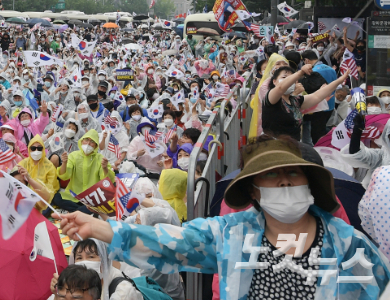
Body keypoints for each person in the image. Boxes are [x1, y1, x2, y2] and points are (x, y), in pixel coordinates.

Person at [56, 136, 390, 299]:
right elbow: (173, 242)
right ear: (254, 191)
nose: (285, 181)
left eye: (294, 173)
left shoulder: (347, 243)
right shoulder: (230, 234)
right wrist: (102, 228)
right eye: (272, 176)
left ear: (310, 183)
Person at [262, 66, 349, 140]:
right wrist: (300, 73)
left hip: (293, 147)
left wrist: (339, 80)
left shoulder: (296, 100)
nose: (290, 81)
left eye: (293, 79)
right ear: (274, 81)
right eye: (284, 77)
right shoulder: (271, 97)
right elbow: (280, 88)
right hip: (274, 148)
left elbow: (317, 96)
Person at [55, 129, 116, 213]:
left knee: (95, 206)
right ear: (82, 141)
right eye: (86, 140)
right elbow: (65, 176)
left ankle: (78, 211)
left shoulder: (100, 158)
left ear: (95, 145)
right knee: (56, 197)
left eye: (92, 141)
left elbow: (107, 181)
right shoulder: (74, 155)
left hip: (92, 199)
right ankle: (80, 211)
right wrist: (64, 163)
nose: (88, 143)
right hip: (74, 196)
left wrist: (105, 168)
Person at [18, 134, 59, 200]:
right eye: (33, 148)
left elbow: (51, 188)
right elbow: (14, 175)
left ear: (43, 149)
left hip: (42, 198)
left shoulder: (49, 166)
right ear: (29, 149)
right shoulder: (25, 162)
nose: (36, 151)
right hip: (25, 195)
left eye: (39, 148)